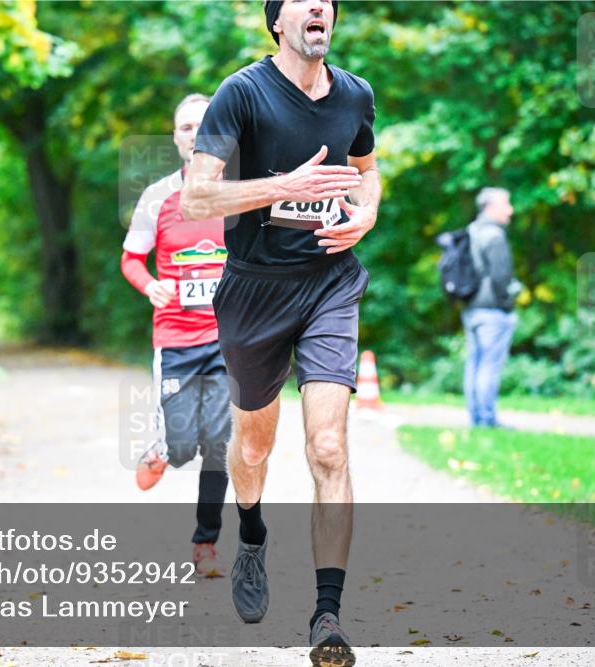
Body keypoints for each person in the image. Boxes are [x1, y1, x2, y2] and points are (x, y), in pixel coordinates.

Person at [181, 1, 379, 663]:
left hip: (330, 282)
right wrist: (279, 187)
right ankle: (252, 535)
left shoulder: (356, 94)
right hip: (254, 290)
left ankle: (327, 615)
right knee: (255, 449)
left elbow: (368, 170)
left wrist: (364, 217)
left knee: (327, 445)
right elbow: (196, 198)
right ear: (278, 20)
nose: (320, 3)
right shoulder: (241, 93)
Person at [121, 93, 232, 578]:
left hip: (229, 340)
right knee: (186, 443)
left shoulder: (241, 196)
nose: (195, 133)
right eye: (186, 126)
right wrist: (151, 286)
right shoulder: (157, 198)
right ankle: (163, 449)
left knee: (220, 442)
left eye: (203, 125)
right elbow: (131, 259)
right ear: (176, 137)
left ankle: (205, 542)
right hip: (176, 339)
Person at [463, 187, 519, 428]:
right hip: (492, 310)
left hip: (471, 308)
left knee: (474, 362)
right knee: (489, 364)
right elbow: (501, 277)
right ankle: (487, 419)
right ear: (490, 206)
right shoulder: (494, 235)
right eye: (506, 204)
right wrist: (507, 303)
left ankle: (477, 417)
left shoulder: (471, 231)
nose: (510, 210)